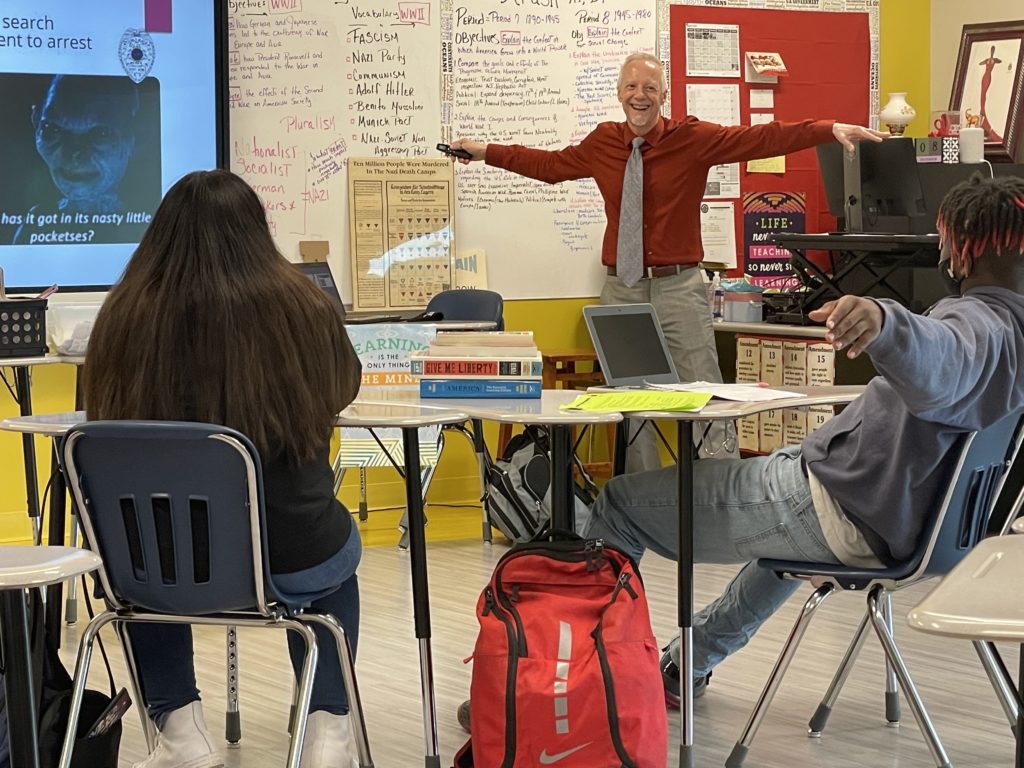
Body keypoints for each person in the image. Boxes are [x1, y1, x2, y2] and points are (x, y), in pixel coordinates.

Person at [581, 174, 1024, 706]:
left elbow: (943, 357)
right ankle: (683, 667)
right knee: (780, 548)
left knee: (619, 504)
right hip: (907, 527)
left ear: (962, 249)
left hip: (838, 507)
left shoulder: (976, 319)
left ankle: (593, 682)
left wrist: (885, 321)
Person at [450, 52, 887, 472]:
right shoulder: (603, 141)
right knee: (631, 398)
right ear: (620, 93)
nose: (640, 95)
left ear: (664, 95)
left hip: (678, 286)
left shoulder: (692, 139)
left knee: (706, 392)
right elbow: (550, 165)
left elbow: (762, 137)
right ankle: (643, 493)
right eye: (632, 87)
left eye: (651, 88)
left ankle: (722, 489)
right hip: (622, 287)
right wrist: (486, 151)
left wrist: (827, 129)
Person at [83, 169, 363, 768]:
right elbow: (341, 389)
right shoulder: (305, 308)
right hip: (289, 554)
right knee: (336, 557)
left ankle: (182, 733)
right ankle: (326, 728)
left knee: (134, 550)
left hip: (157, 566)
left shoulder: (122, 318)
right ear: (257, 234)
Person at [14, 74, 153, 245]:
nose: (74, 156)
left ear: (136, 136)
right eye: (53, 129)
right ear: (35, 122)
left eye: (101, 134)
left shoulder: (152, 231)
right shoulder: (34, 228)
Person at [978, 45, 1004, 142]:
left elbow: (999, 61)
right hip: (985, 76)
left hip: (988, 76)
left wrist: (993, 60)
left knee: (985, 94)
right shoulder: (987, 61)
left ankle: (985, 120)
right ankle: (982, 113)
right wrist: (988, 60)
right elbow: (981, 63)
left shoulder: (993, 61)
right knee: (983, 94)